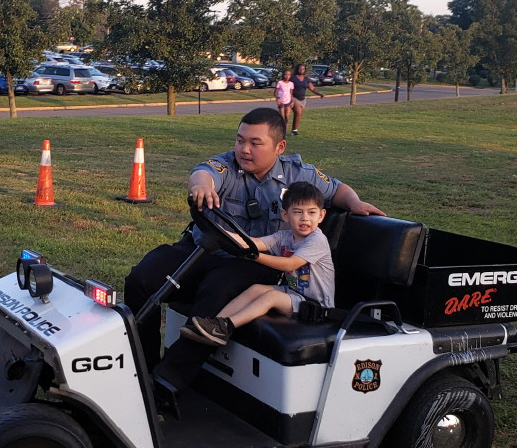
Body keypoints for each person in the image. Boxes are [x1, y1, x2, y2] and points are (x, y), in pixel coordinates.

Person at [123, 106, 383, 392]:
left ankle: (166, 383)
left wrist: (355, 203)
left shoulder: (298, 174)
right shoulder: (226, 166)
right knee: (141, 279)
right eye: (239, 140)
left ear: (279, 147)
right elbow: (204, 174)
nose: (244, 149)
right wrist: (201, 188)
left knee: (218, 289)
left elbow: (337, 190)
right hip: (202, 248)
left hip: (254, 262)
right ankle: (142, 370)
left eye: (255, 143)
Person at [180, 181, 334, 346]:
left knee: (271, 296)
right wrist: (219, 232)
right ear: (285, 215)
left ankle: (226, 326)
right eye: (297, 212)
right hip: (294, 293)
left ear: (321, 215)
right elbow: (251, 242)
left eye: (311, 213)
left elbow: (290, 265)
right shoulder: (284, 236)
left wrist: (255, 256)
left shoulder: (317, 240)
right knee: (256, 289)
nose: (305, 218)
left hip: (315, 306)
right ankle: (216, 326)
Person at [288, 63, 324, 136]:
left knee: (299, 114)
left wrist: (319, 94)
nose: (301, 70)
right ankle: (293, 131)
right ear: (297, 69)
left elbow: (312, 88)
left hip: (303, 99)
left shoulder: (306, 79)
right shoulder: (293, 78)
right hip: (294, 97)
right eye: (300, 69)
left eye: (303, 69)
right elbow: (288, 87)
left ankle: (294, 130)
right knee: (298, 112)